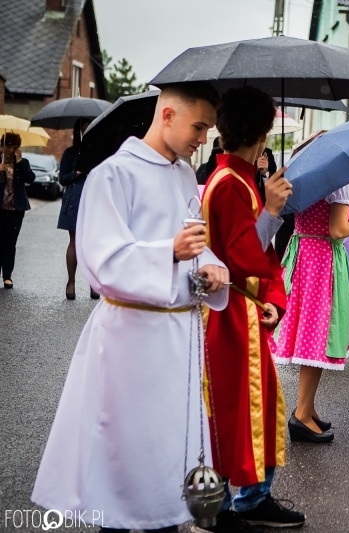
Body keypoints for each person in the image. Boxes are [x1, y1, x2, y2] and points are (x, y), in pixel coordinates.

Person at [31, 83, 230, 533]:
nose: (204, 138)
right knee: (127, 462)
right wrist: (169, 252)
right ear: (168, 115)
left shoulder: (184, 176)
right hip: (131, 342)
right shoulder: (112, 175)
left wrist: (211, 267)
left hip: (178, 338)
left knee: (168, 456)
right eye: (199, 127)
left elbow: (195, 245)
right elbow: (101, 262)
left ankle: (164, 520)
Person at [201, 86, 304, 531]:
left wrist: (275, 302)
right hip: (229, 316)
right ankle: (220, 506)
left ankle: (252, 497)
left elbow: (257, 260)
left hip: (244, 311)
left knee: (254, 406)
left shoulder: (237, 178)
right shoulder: (229, 183)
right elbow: (243, 258)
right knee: (232, 409)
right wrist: (273, 210)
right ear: (262, 135)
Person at [274, 166, 349, 443]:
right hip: (322, 261)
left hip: (302, 255)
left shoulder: (304, 179)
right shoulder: (340, 183)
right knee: (317, 338)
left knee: (309, 336)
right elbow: (337, 230)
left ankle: (308, 407)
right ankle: (302, 414)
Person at [57, 118, 99, 300]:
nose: (87, 131)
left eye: (90, 128)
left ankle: (93, 283)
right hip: (75, 198)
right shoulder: (70, 153)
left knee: (91, 242)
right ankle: (71, 282)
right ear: (78, 131)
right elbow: (62, 179)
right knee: (74, 241)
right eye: (84, 128)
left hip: (94, 198)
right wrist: (77, 173)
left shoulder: (99, 152)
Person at [0, 133, 36, 289]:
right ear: (1, 146)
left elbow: (31, 178)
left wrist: (20, 162)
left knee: (10, 242)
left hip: (16, 210)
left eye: (15, 147)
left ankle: (7, 276)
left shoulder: (22, 163)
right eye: (8, 147)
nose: (11, 150)